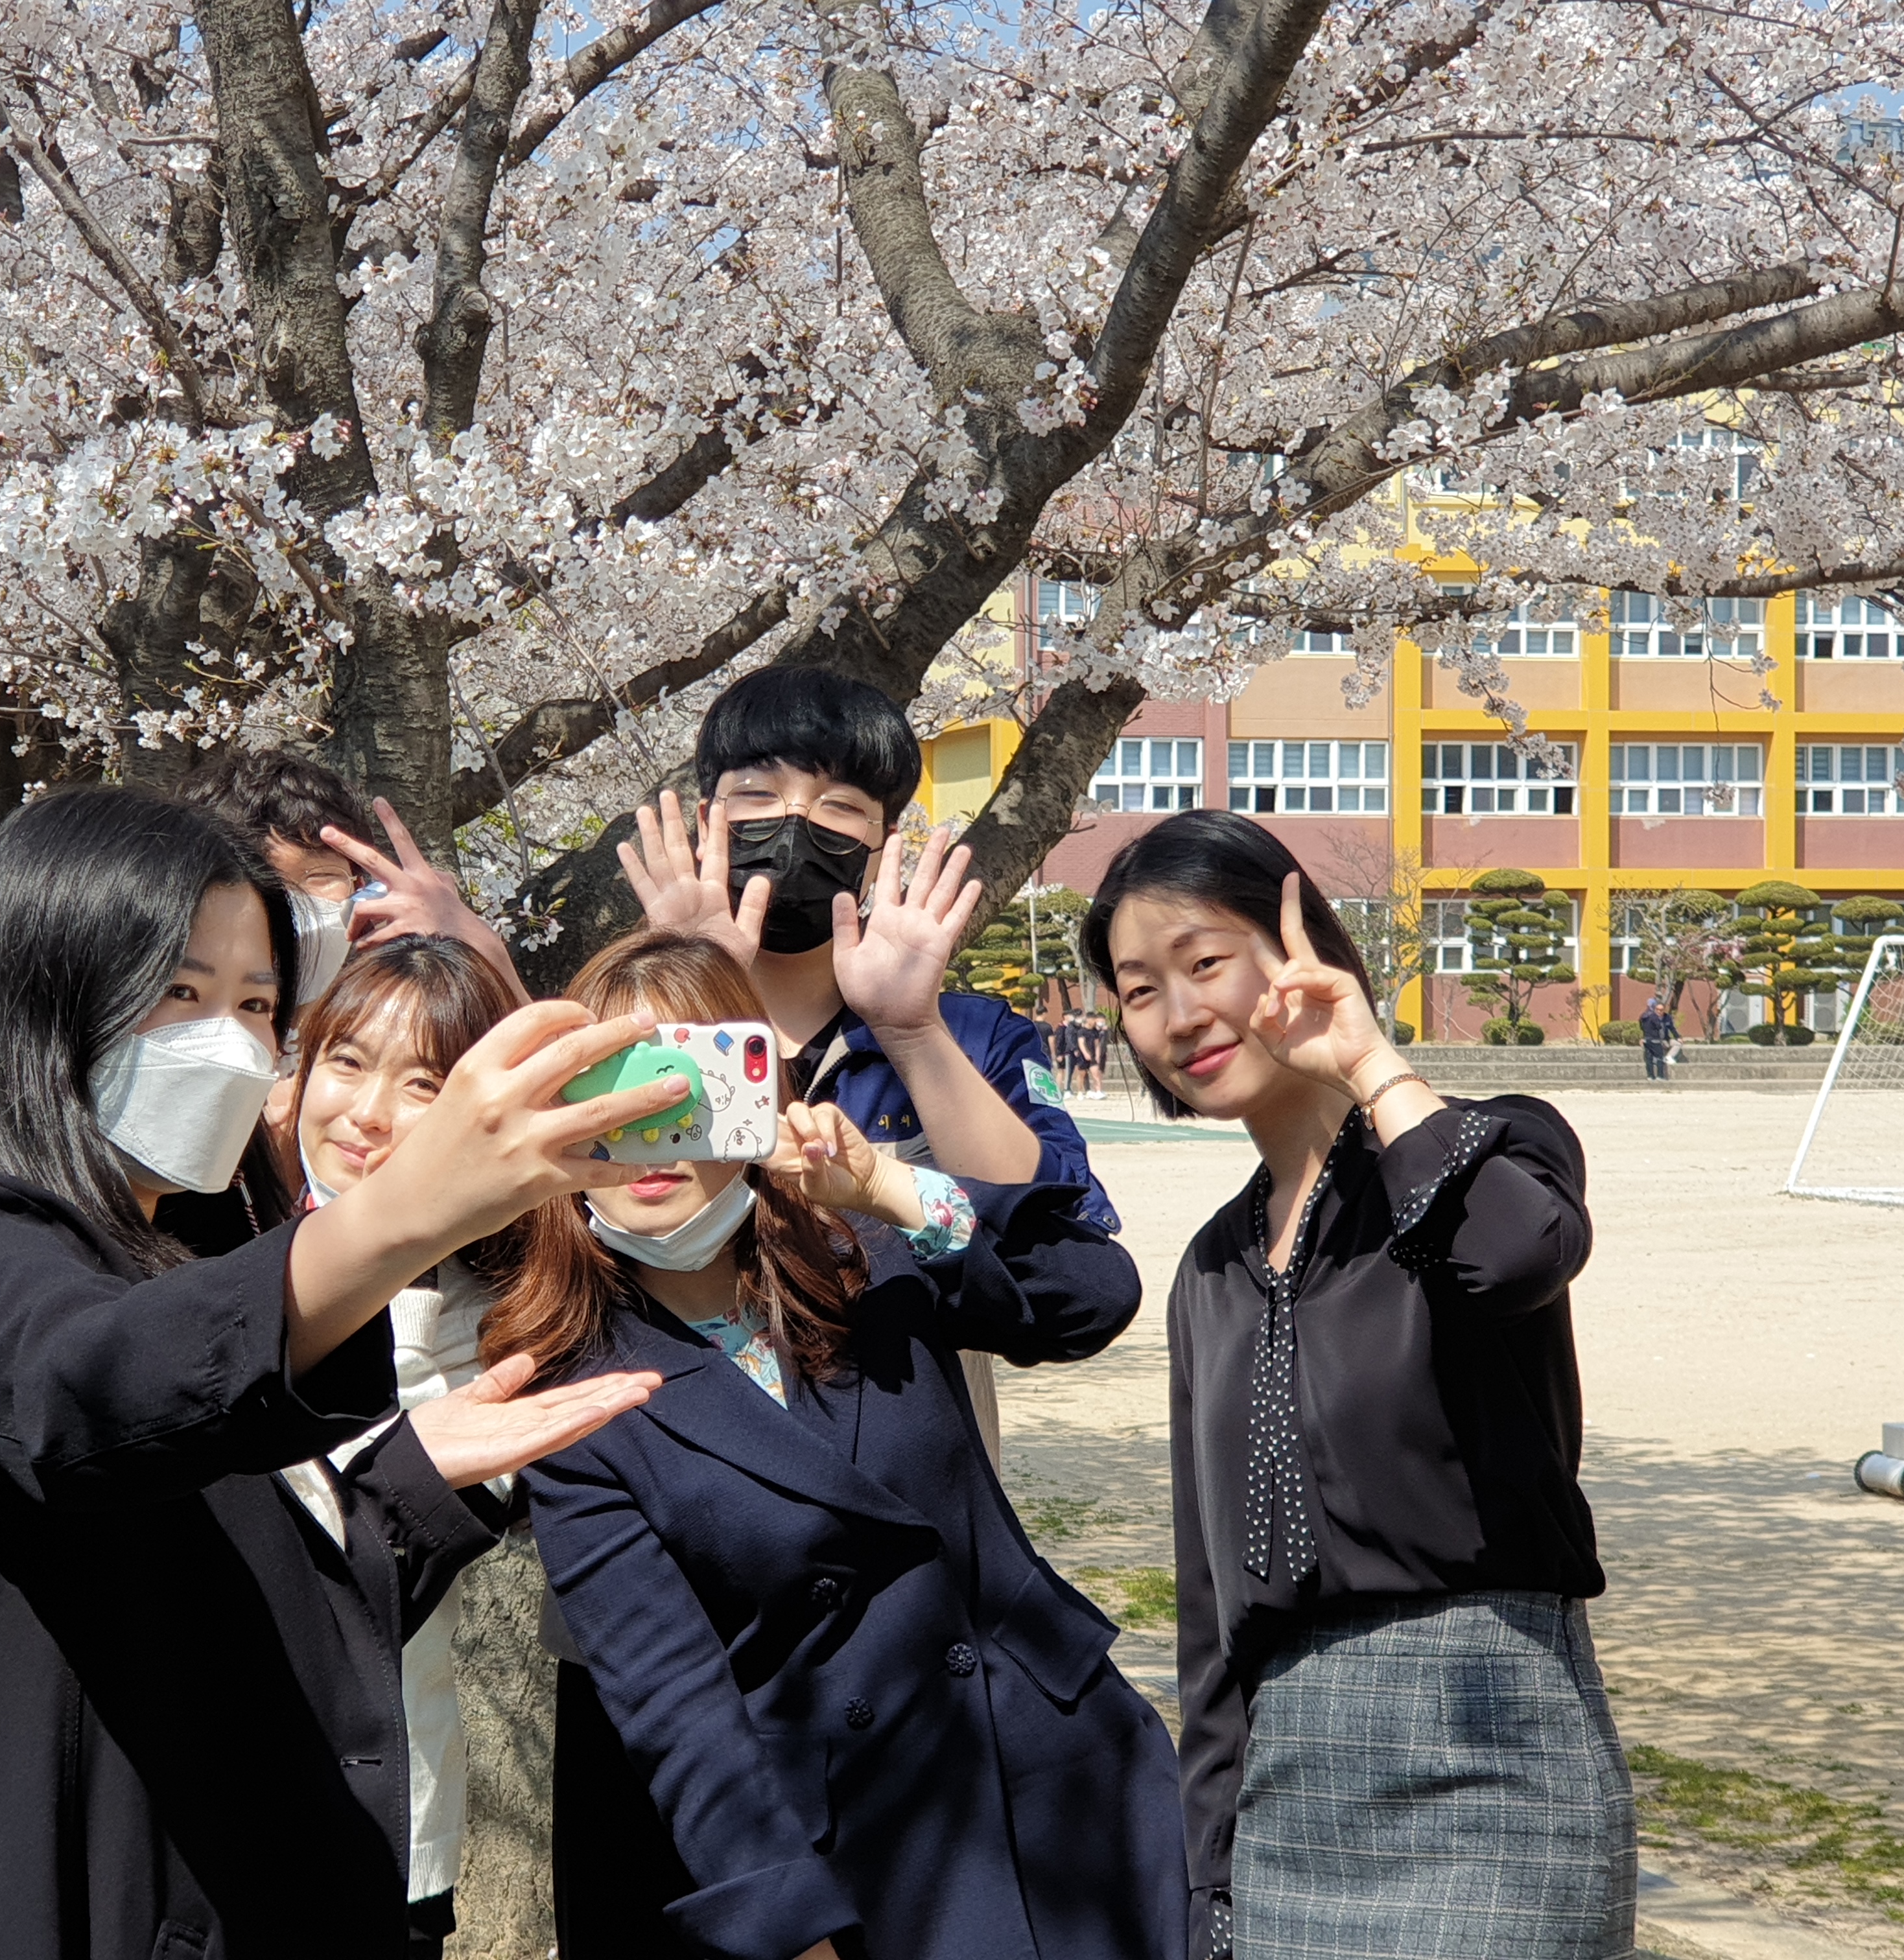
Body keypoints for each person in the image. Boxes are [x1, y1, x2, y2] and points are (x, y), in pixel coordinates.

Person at [0, 787, 687, 1960]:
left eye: (258, 1002)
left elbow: (232, 1589)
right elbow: (84, 1393)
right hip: (24, 1895)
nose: (229, 1041)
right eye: (181, 992)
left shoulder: (193, 1247)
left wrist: (410, 1488)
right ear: (49, 994)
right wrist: (407, 1213)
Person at [511, 929, 1185, 1960]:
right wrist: (793, 1928)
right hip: (862, 1855)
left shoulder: (864, 1253)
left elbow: (1090, 1294)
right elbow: (672, 1704)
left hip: (1059, 1785)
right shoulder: (572, 1393)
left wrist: (891, 1190)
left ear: (756, 1092)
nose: (653, 1131)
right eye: (611, 1093)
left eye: (689, 1085)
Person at [1082, 809, 1632, 1960]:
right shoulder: (1209, 1270)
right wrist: (1209, 1877)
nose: (1178, 1015)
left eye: (1205, 962)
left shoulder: (1488, 1143)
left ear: (1303, 947)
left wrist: (1372, 1063)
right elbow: (1211, 1615)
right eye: (1138, 991)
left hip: (1496, 1762)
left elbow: (1517, 1256)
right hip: (1288, 1794)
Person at [618, 665, 1116, 1460]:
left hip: (915, 1467)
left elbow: (1054, 1248)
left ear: (884, 840)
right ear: (707, 818)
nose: (794, 824)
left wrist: (911, 1032)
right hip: (681, 1462)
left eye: (840, 806)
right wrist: (695, 989)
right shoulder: (624, 1026)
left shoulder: (973, 1036)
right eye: (757, 795)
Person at [281, 935, 525, 1959]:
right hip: (183, 1817)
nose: (369, 1113)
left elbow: (385, 1575)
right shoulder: (202, 1256)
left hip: (383, 1818)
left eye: (423, 1083)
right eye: (345, 1062)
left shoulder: (500, 1323)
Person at [172, 748, 530, 1237]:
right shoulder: (162, 1038)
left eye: (319, 877)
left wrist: (486, 955)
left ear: (362, 888)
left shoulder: (402, 1019)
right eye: (262, 881)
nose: (290, 907)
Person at [1638, 995, 1676, 1081]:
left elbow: (1641, 1026)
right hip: (1655, 1039)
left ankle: (1650, 1076)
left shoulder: (1643, 1016)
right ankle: (1660, 1076)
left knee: (1649, 1058)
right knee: (1660, 1057)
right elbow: (1659, 1026)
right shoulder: (1654, 1016)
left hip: (1646, 1039)